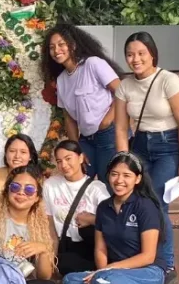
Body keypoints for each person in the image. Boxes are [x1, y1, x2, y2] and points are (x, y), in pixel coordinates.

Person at [62, 153, 179, 284]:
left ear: (137, 179)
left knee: (100, 281)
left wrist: (108, 271)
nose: (119, 180)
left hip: (148, 272)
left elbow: (148, 256)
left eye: (126, 175)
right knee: (69, 281)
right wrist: (102, 270)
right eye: (114, 174)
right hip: (115, 274)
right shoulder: (103, 208)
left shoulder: (145, 206)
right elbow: (100, 248)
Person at [114, 31, 179, 283]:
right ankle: (142, 257)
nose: (135, 59)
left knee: (157, 204)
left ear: (152, 54)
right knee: (136, 201)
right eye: (130, 54)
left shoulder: (169, 80)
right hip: (140, 147)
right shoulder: (125, 86)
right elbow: (120, 128)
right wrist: (123, 161)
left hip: (168, 146)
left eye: (140, 53)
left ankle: (167, 263)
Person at [42, 23, 123, 178]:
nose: (56, 50)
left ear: (72, 45)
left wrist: (106, 121)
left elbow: (122, 92)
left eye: (61, 44)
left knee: (110, 182)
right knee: (82, 180)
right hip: (86, 139)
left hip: (109, 134)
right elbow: (69, 118)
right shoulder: (61, 80)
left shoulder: (93, 64)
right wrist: (76, 149)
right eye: (52, 47)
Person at [42, 141, 109, 276]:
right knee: (65, 263)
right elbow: (51, 229)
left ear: (80, 158)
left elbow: (112, 221)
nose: (64, 165)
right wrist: (51, 260)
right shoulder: (50, 185)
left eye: (68, 159)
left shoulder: (97, 188)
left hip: (90, 248)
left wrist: (91, 219)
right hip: (65, 247)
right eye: (59, 161)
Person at [0, 133, 39, 212]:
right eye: (12, 151)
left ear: (30, 157)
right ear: (6, 154)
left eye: (23, 152)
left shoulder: (37, 179)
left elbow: (38, 212)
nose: (17, 156)